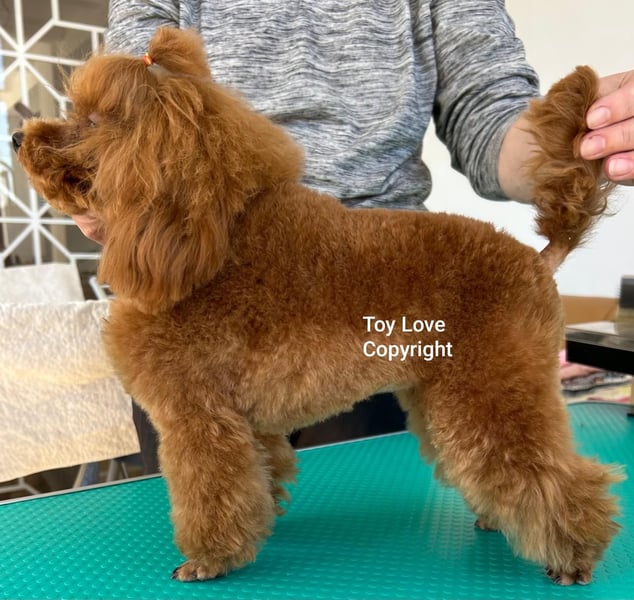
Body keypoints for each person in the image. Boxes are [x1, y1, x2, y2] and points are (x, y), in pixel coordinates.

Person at [74, 0, 634, 463]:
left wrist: (582, 140)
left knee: (377, 506)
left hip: (385, 307)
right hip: (191, 289)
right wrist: (102, 182)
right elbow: (128, 100)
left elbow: (488, 117)